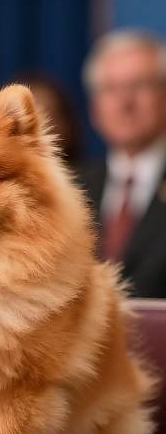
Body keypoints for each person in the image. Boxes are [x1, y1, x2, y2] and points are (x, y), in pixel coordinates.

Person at [78, 30, 166, 298]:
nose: (124, 102)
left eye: (139, 85)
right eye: (110, 89)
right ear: (94, 108)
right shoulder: (71, 187)